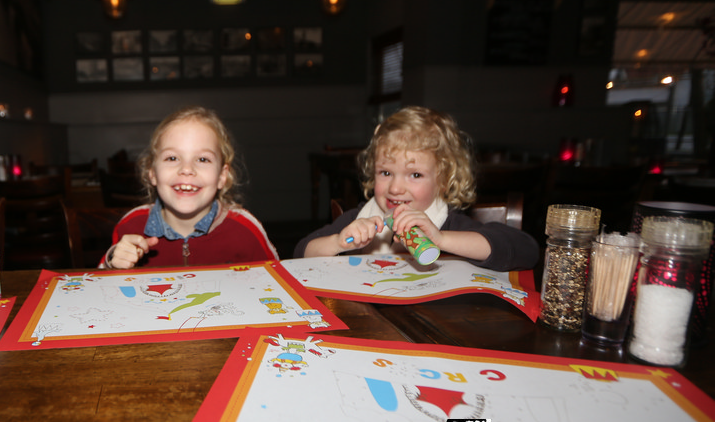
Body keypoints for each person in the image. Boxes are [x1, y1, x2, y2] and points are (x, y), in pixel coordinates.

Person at [294, 106, 538, 270]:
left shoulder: (448, 223)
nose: (396, 188)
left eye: (415, 175)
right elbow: (301, 252)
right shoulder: (361, 217)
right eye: (386, 173)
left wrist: (441, 239)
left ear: (443, 180)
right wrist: (338, 242)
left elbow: (527, 250)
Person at [100, 106, 278, 269]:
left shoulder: (245, 229)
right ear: (152, 173)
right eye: (172, 158)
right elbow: (97, 283)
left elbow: (279, 280)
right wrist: (113, 264)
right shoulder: (131, 226)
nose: (186, 169)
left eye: (202, 159)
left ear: (222, 176)